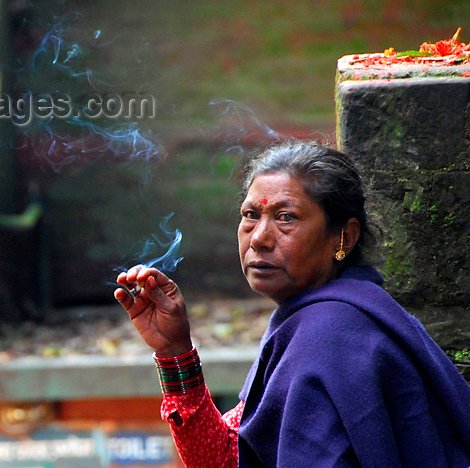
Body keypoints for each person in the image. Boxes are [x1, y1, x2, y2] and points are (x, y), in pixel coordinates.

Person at [114, 142, 470, 467]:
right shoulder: (323, 317)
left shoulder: (329, 337)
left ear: (344, 236)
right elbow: (229, 458)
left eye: (286, 218)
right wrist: (175, 350)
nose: (259, 238)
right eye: (251, 215)